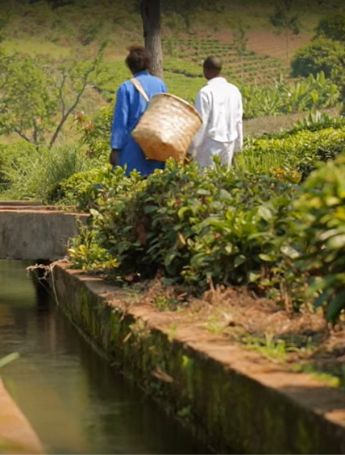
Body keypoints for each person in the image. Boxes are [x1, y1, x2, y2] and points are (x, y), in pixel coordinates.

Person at [109, 46, 167, 176]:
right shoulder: (160, 85)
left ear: (130, 66)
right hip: (155, 146)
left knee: (131, 184)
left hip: (133, 148)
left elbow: (120, 122)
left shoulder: (126, 88)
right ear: (147, 63)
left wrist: (115, 148)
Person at [189, 56, 243, 169]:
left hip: (209, 145)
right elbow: (238, 120)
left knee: (206, 181)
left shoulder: (205, 93)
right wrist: (238, 146)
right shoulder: (234, 90)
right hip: (229, 143)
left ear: (205, 70)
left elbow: (200, 124)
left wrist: (192, 150)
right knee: (224, 180)